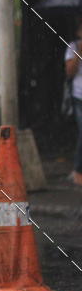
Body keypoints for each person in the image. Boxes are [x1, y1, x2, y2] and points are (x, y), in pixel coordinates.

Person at [65, 18, 82, 186]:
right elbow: (69, 72)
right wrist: (79, 54)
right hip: (79, 96)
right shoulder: (73, 47)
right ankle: (77, 170)